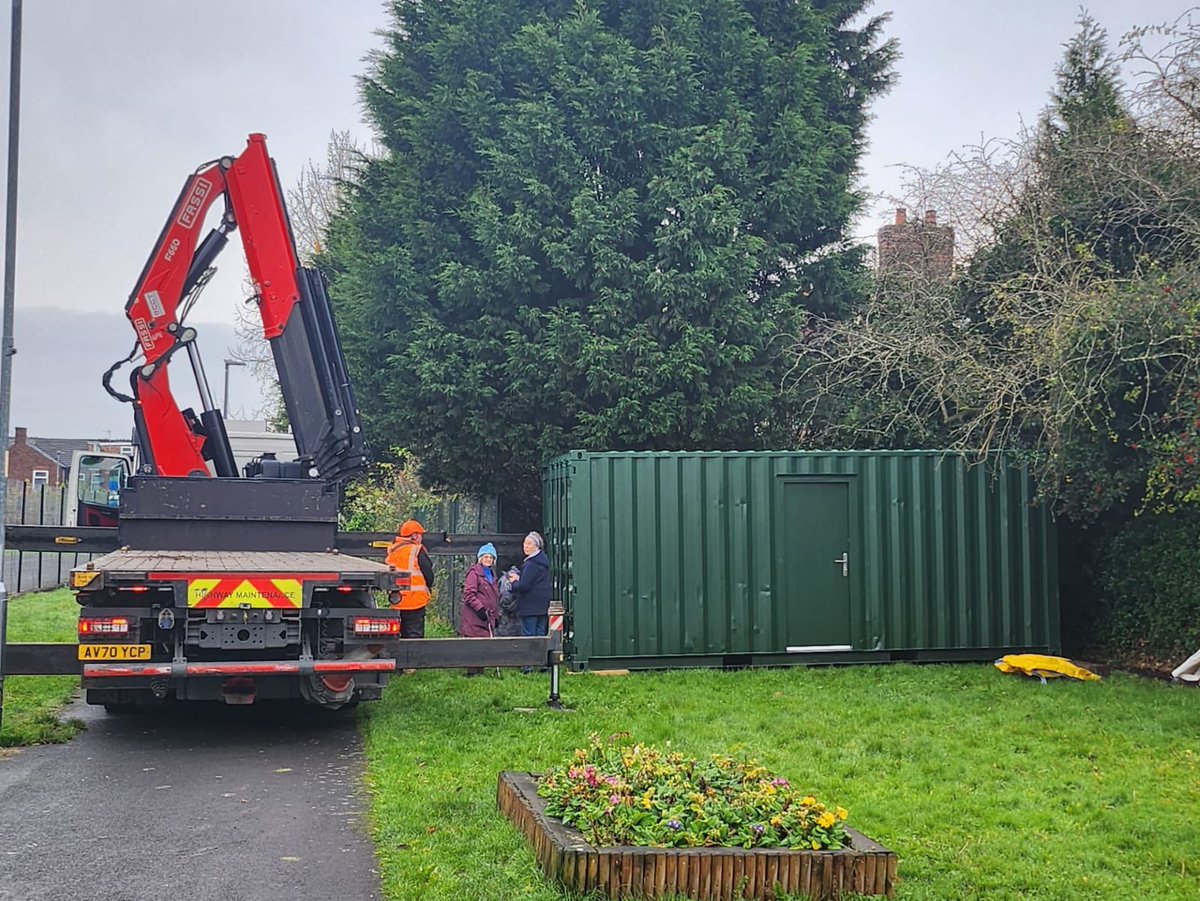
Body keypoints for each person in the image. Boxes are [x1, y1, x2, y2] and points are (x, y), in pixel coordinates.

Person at [386, 519, 434, 653]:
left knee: (399, 632)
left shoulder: (393, 550)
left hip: (397, 599)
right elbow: (428, 573)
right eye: (420, 535)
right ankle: (412, 665)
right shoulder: (417, 550)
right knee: (414, 632)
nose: (421, 538)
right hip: (415, 600)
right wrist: (428, 587)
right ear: (414, 536)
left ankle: (398, 662)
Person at [510, 531, 551, 671]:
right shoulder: (543, 561)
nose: (525, 546)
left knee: (529, 635)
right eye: (524, 543)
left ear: (537, 546)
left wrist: (514, 582)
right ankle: (542, 664)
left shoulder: (531, 563)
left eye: (529, 544)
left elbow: (524, 586)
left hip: (530, 605)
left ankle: (527, 666)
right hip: (543, 604)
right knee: (540, 634)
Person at [459, 543, 500, 676]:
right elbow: (469, 595)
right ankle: (472, 674)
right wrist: (480, 609)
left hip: (487, 617)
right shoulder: (474, 573)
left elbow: (493, 597)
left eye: (491, 557)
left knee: (483, 646)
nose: (488, 559)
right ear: (480, 558)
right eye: (486, 556)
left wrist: (496, 616)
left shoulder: (492, 575)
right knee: (474, 645)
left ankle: (479, 673)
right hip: (475, 617)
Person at [496, 566, 523, 638]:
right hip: (518, 615)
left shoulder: (503, 579)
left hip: (504, 618)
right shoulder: (523, 577)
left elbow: (504, 598)